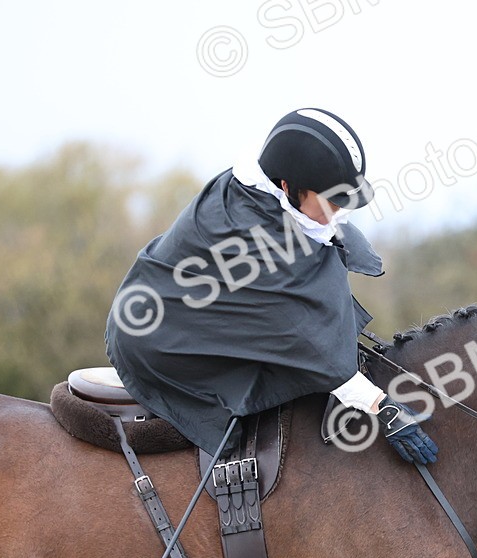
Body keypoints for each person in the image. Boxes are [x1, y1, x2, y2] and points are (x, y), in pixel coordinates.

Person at [105, 108, 437, 465]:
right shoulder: (253, 238)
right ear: (286, 188)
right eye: (331, 201)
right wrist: (381, 406)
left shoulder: (279, 193)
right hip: (156, 341)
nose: (340, 214)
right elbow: (303, 337)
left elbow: (319, 248)